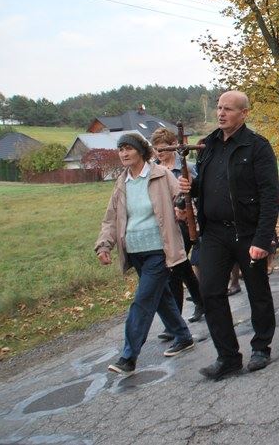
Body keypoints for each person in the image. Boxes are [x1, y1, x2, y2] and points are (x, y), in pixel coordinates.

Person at [179, 90, 279, 380]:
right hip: (214, 233)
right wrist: (191, 188)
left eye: (228, 109)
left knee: (257, 291)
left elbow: (269, 195)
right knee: (210, 291)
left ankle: (261, 347)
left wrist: (263, 239)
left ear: (244, 113)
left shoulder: (256, 146)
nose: (221, 113)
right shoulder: (208, 145)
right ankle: (228, 357)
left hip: (248, 232)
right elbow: (207, 185)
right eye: (219, 108)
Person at [95, 133, 194, 375]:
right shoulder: (122, 183)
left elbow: (182, 199)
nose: (124, 153)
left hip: (159, 250)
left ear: (141, 151)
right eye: (121, 149)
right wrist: (104, 245)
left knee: (143, 300)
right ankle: (183, 336)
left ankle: (128, 357)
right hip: (135, 251)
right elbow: (111, 218)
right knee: (160, 297)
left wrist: (182, 210)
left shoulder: (161, 175)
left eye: (128, 148)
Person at [150, 128, 205, 326]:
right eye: (156, 149)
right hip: (166, 224)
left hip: (188, 222)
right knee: (180, 267)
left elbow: (200, 192)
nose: (159, 153)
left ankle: (176, 321)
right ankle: (197, 304)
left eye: (163, 148)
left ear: (173, 146)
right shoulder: (154, 171)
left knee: (177, 266)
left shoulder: (186, 168)